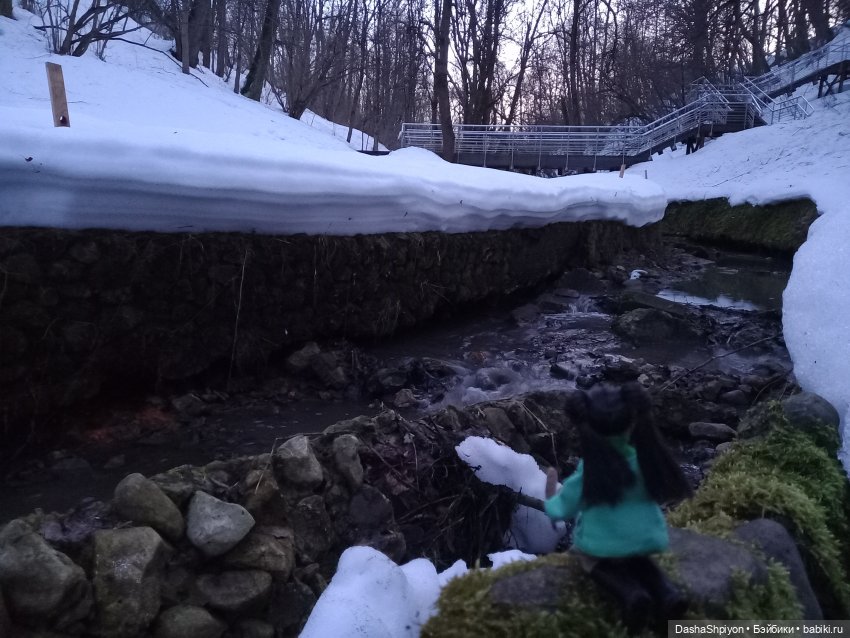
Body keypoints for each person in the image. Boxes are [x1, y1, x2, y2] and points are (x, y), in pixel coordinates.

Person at [543, 382, 692, 633]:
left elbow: (564, 507)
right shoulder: (648, 458)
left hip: (601, 545)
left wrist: (549, 502)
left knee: (586, 557)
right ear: (632, 422)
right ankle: (667, 594)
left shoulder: (588, 470)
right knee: (639, 562)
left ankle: (630, 594)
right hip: (647, 538)